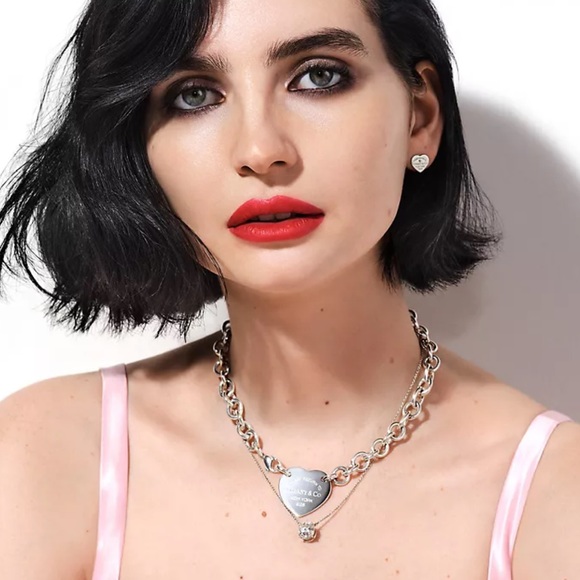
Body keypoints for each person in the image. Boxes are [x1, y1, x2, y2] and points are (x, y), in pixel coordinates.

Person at [0, 0, 579, 578]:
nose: (260, 151)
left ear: (419, 117)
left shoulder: (555, 492)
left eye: (318, 76)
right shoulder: (48, 454)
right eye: (194, 95)